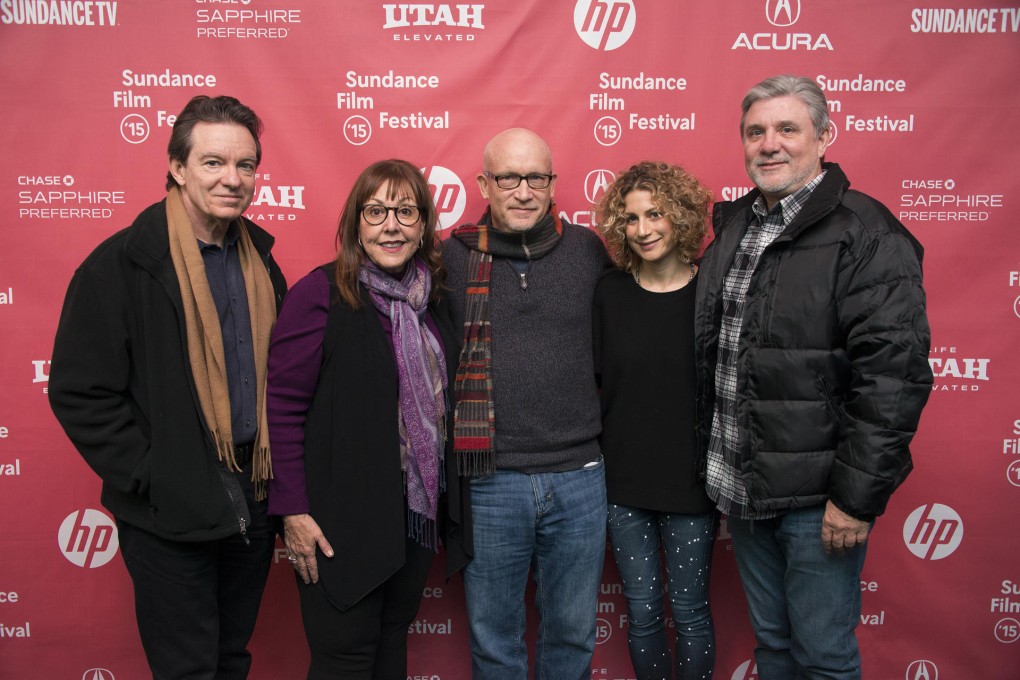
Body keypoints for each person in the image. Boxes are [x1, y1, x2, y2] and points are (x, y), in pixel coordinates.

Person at [695, 75, 932, 679]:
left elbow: (893, 378)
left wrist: (854, 501)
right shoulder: (736, 227)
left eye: (787, 129)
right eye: (755, 132)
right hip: (743, 485)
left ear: (825, 136)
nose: (769, 144)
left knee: (824, 658)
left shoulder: (866, 232)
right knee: (773, 647)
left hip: (818, 500)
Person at [49, 95, 287, 679]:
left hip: (251, 501)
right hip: (168, 510)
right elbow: (80, 391)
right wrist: (154, 474)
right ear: (177, 168)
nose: (232, 179)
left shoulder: (262, 263)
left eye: (246, 165)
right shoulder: (122, 266)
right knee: (187, 669)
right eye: (212, 163)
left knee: (232, 658)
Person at [266, 159, 472, 679]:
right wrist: (292, 511)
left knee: (389, 647)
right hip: (337, 521)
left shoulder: (435, 299)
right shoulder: (320, 294)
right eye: (375, 210)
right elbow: (282, 409)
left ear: (424, 224)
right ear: (356, 222)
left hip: (411, 514)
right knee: (346, 658)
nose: (391, 225)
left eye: (405, 211)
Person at [444, 128, 611, 679]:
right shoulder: (453, 259)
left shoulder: (589, 251)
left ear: (553, 183)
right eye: (508, 178)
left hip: (579, 477)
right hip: (491, 478)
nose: (522, 190)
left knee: (572, 636)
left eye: (535, 177)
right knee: (495, 641)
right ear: (484, 184)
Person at [593, 161, 718, 680]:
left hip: (693, 483)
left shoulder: (712, 292)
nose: (643, 229)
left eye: (656, 214)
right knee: (642, 613)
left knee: (689, 613)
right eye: (630, 218)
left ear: (683, 217)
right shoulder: (608, 292)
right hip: (623, 483)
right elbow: (596, 383)